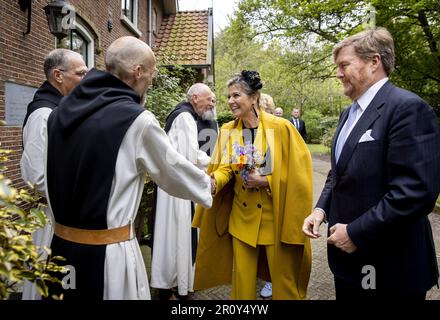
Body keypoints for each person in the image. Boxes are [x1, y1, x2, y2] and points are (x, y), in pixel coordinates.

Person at [44, 36, 213, 300]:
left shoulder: (57, 113)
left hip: (60, 250)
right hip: (109, 256)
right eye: (152, 73)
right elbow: (173, 169)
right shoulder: (137, 120)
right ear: (138, 72)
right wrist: (210, 184)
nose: (152, 81)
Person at [303, 28, 440, 300]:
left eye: (344, 65)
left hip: (392, 267)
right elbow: (339, 173)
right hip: (348, 266)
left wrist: (355, 232)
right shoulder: (347, 113)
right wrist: (320, 210)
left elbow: (416, 192)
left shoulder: (407, 108)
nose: (338, 73)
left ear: (374, 62)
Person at [192, 70, 313, 300]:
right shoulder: (228, 130)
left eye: (236, 95)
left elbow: (299, 175)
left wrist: (265, 179)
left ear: (254, 97)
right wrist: (213, 182)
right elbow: (225, 167)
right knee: (242, 286)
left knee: (284, 284)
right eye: (228, 96)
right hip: (241, 220)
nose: (230, 101)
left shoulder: (281, 128)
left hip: (274, 219)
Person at [20, 48, 87, 300]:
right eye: (80, 73)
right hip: (52, 217)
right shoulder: (43, 115)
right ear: (58, 75)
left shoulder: (61, 109)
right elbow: (36, 177)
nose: (86, 78)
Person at [150, 83, 216, 300]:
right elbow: (186, 160)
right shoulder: (185, 118)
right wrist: (208, 178)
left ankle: (175, 282)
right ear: (195, 98)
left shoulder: (183, 114)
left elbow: (191, 154)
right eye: (209, 99)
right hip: (178, 190)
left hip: (174, 186)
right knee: (178, 235)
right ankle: (178, 283)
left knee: (174, 236)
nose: (211, 103)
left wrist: (213, 162)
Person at [258, 95, 283, 299]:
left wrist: (266, 180)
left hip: (274, 200)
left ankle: (272, 281)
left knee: (273, 247)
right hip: (252, 204)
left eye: (263, 107)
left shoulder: (277, 131)